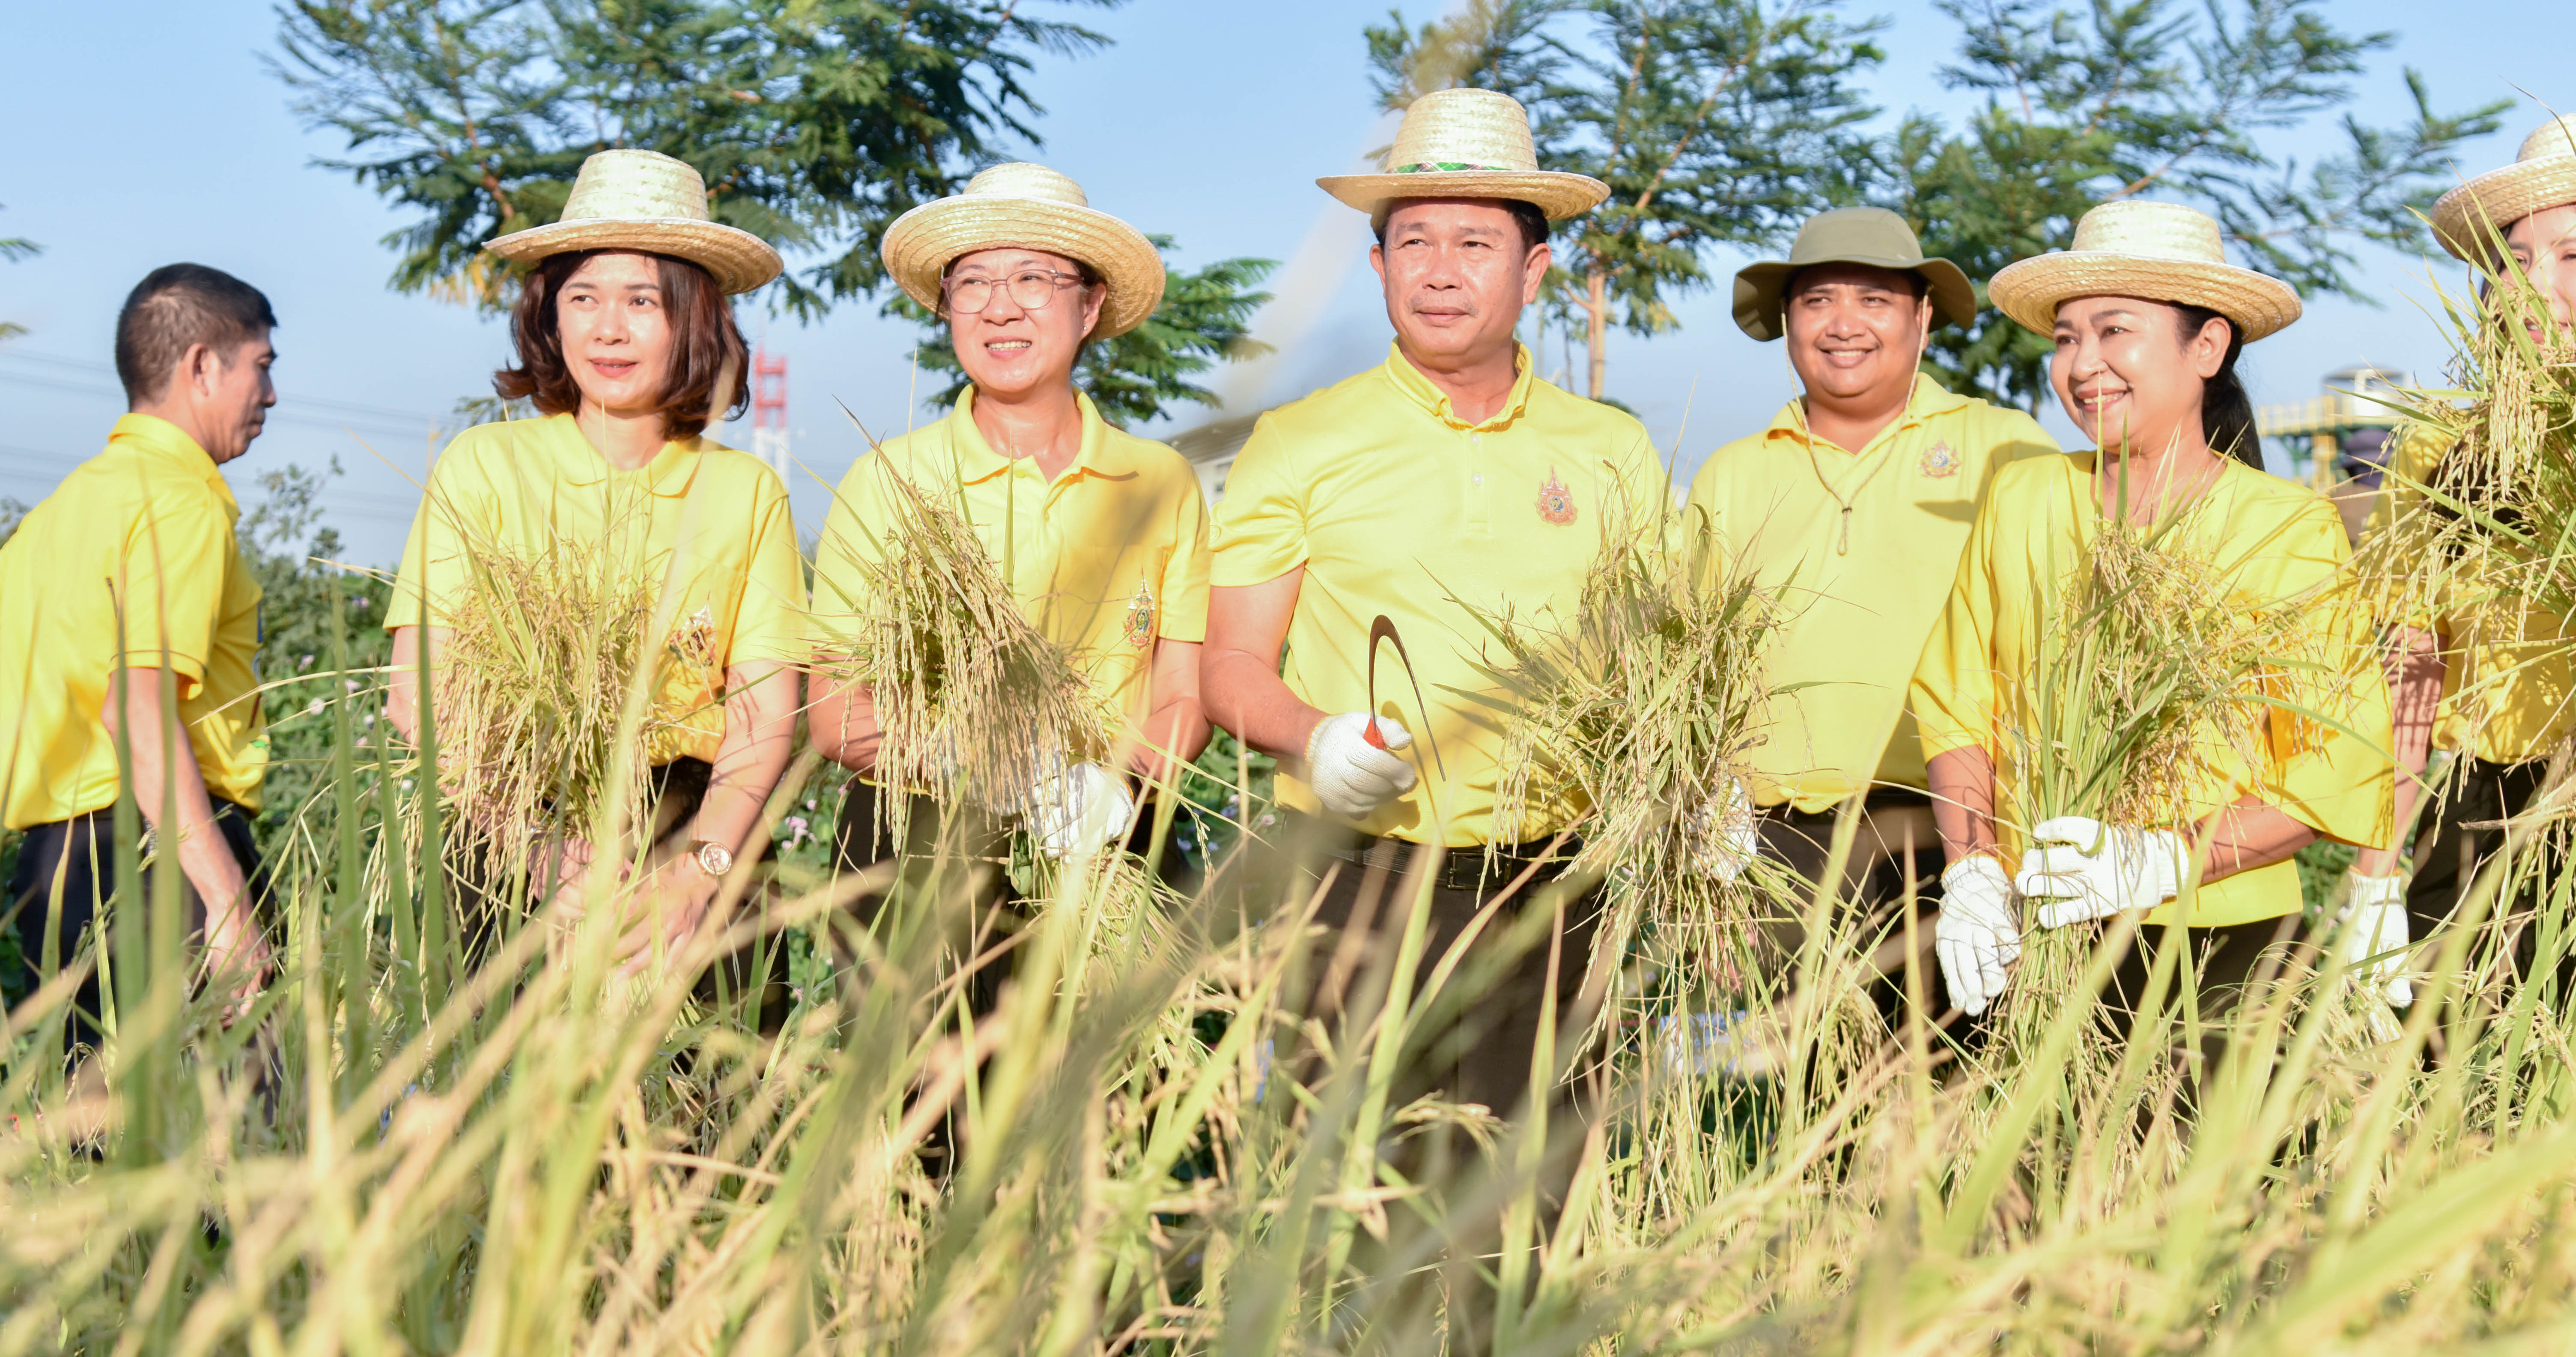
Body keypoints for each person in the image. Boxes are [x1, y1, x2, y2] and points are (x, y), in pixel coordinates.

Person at [1202, 87, 1668, 1346]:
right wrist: (1312, 738)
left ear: (1537, 266)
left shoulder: (1612, 453)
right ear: (1377, 262)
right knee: (1360, 1207)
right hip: (1357, 882)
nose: (1443, 272)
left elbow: (1652, 670)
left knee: (1531, 1216)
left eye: (1476, 244)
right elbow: (1231, 665)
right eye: (1415, 242)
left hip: (1555, 885)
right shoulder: (1302, 440)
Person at [1909, 202, 2394, 1034]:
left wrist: (2164, 855)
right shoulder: (2023, 495)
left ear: (2205, 346)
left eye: (2113, 331)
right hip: (2040, 931)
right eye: (2065, 338)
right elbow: (1956, 698)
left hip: (2221, 941)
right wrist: (1973, 873)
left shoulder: (2282, 526)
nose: (2082, 364)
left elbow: (2331, 766)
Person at [384, 149, 805, 984]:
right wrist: (543, 857)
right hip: (501, 819)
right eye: (582, 298)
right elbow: (417, 691)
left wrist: (698, 872)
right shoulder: (483, 467)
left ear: (693, 319)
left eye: (641, 301)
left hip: (694, 825)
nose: (607, 329)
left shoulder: (743, 490)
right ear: (550, 318)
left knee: (712, 1102)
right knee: (489, 1099)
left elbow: (764, 717)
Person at [805, 163, 1211, 1019]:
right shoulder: (889, 481)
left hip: (1109, 840)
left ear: (1090, 305)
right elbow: (835, 706)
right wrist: (964, 756)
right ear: (945, 307)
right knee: (932, 1121)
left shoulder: (1160, 482)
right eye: (974, 284)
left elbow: (1182, 695)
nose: (1000, 308)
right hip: (915, 847)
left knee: (1113, 1120)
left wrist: (1115, 782)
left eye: (1033, 279)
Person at [1685, 207, 2059, 1017]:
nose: (1843, 325)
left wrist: (1994, 855)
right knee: (1801, 1107)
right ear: (1787, 321)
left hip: (1959, 832)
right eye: (1817, 301)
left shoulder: (2005, 445)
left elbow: (2053, 632)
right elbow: (1696, 660)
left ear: (1923, 317)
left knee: (1958, 1096)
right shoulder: (1734, 473)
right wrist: (1706, 796)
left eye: (1875, 300)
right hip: (1781, 842)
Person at [0, 264, 280, 1057]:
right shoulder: (179, 500)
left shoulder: (56, 516)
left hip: (52, 873)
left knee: (97, 1151)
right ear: (202, 366)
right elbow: (138, 712)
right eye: (261, 366)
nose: (270, 395)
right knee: (239, 1148)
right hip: (162, 862)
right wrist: (227, 902)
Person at [2355, 118, 2576, 999]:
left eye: (2571, 258)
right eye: (2509, 263)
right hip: (2484, 812)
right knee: (2465, 1097)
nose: (2535, 290)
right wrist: (2373, 876)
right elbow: (2412, 663)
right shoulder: (2441, 448)